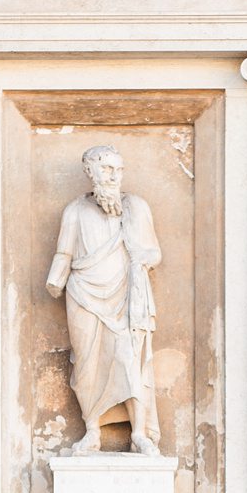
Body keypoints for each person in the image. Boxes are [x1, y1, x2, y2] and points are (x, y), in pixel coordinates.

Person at [46, 144, 163, 456]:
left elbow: (154, 251)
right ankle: (92, 431)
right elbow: (64, 252)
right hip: (83, 293)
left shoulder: (135, 207)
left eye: (118, 169)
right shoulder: (75, 211)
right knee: (86, 362)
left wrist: (143, 258)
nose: (114, 176)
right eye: (107, 169)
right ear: (91, 171)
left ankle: (139, 433)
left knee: (127, 359)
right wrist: (55, 279)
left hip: (124, 294)